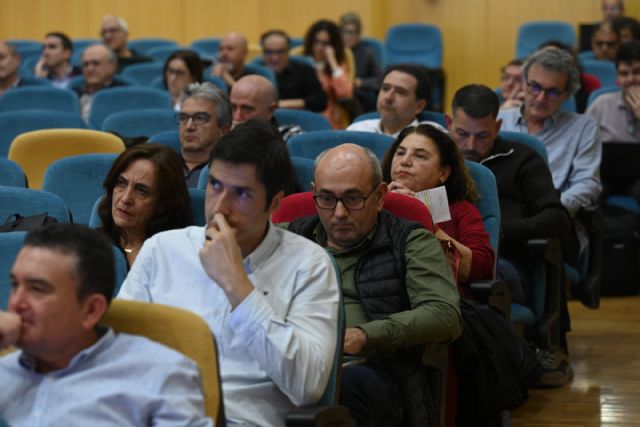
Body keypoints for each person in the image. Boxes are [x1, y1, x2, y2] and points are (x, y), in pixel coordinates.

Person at [118, 119, 340, 426]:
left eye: (242, 194)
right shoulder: (162, 251)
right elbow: (118, 350)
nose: (220, 207)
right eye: (215, 185)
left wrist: (237, 284)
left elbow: (308, 388)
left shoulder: (309, 264)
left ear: (274, 202)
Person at [284, 143, 462, 426]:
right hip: (291, 361)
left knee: (348, 386)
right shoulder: (289, 239)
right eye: (327, 199)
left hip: (373, 369)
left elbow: (444, 314)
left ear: (380, 196)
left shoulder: (410, 241)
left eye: (353, 199)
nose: (339, 213)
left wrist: (364, 336)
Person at [0, 223, 212, 426]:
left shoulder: (160, 376)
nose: (15, 303)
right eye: (15, 285)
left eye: (37, 289)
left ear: (91, 310)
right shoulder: (5, 369)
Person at [449, 83, 572, 386]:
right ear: (448, 123)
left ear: (498, 126)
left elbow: (557, 216)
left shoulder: (523, 158)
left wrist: (501, 232)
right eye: (462, 134)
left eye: (482, 136)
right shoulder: (438, 158)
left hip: (506, 260)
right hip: (448, 251)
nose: (470, 146)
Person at [498, 47, 601, 265]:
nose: (540, 98)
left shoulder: (583, 127)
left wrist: (551, 211)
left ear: (567, 95)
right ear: (523, 83)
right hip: (504, 217)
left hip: (552, 225)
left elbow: (588, 183)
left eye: (552, 92)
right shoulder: (499, 121)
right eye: (534, 87)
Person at [381, 124, 494, 292]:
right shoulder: (371, 202)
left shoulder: (460, 210)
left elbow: (478, 270)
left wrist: (422, 218)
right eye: (400, 152)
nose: (405, 161)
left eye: (420, 156)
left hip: (440, 302)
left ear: (443, 173)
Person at [98, 143, 192, 267]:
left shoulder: (175, 259)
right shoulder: (91, 247)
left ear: (163, 204)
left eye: (141, 191)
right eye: (121, 183)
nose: (126, 199)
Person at [347, 64, 445, 137]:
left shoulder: (434, 136)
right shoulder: (357, 131)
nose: (388, 97)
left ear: (419, 106)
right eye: (385, 88)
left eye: (400, 92)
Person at [302, 19, 355, 128]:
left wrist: (332, 61)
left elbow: (345, 93)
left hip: (328, 116)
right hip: (303, 112)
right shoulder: (302, 61)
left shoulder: (337, 65)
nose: (320, 47)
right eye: (317, 42)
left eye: (325, 43)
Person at [178, 81, 231, 188]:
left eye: (200, 118)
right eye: (183, 118)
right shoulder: (161, 167)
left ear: (223, 130)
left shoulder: (229, 175)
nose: (189, 126)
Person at [260, 29, 327, 113]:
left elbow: (320, 102)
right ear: (262, 52)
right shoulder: (255, 73)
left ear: (289, 51)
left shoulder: (304, 70)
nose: (275, 58)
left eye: (280, 52)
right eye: (269, 52)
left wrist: (280, 105)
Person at [587, 40, 640, 143]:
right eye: (624, 74)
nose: (630, 79)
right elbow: (582, 148)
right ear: (617, 77)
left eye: (637, 72)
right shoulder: (601, 105)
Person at [229, 74, 302, 141]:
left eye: (247, 109)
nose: (237, 117)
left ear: (270, 110)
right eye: (233, 108)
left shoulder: (290, 137)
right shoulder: (224, 131)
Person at [340, 12, 382, 113]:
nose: (346, 36)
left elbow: (380, 79)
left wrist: (360, 83)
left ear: (358, 35)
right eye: (343, 32)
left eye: (350, 32)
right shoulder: (334, 53)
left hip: (358, 97)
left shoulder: (367, 54)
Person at [72, 43, 123, 122]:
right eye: (86, 64)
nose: (90, 68)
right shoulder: (73, 93)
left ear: (112, 66)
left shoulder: (124, 93)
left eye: (96, 63)